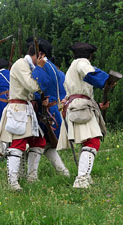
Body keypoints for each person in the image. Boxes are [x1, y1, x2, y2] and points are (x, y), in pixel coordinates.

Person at [57, 42, 109, 188]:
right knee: (93, 142)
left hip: (79, 106)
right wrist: (105, 81)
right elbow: (88, 72)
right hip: (80, 107)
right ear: (89, 55)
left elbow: (79, 93)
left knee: (88, 142)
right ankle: (81, 179)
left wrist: (98, 106)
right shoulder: (81, 63)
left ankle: (84, 176)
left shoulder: (71, 68)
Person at [0, 45, 48, 190]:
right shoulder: (20, 64)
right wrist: (39, 68)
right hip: (18, 109)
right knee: (18, 145)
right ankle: (12, 182)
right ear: (38, 55)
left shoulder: (30, 66)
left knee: (39, 142)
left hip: (27, 109)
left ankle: (32, 177)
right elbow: (32, 85)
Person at [26, 38, 69, 177]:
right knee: (49, 145)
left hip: (47, 111)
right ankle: (63, 172)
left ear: (41, 54)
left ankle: (31, 177)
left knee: (37, 143)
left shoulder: (43, 67)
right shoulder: (58, 70)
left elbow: (36, 88)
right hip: (56, 111)